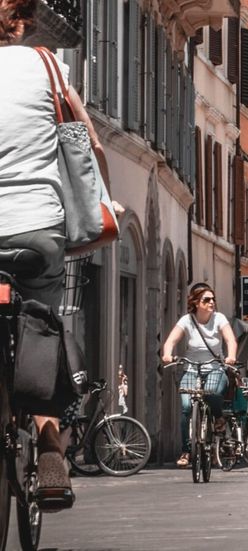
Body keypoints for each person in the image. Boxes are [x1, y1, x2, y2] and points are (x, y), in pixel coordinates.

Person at [0, 0, 124, 510]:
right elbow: (87, 140)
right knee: (44, 326)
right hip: (36, 229)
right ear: (22, 23)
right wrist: (105, 198)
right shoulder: (48, 65)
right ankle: (51, 448)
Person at [161, 283, 237, 467]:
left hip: (214, 367)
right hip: (191, 368)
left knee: (213, 392)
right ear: (196, 302)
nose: (212, 302)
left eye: (213, 299)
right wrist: (167, 353)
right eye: (207, 299)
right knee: (186, 407)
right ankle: (186, 451)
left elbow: (230, 339)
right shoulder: (187, 320)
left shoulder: (219, 319)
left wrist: (231, 356)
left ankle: (218, 416)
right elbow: (171, 340)